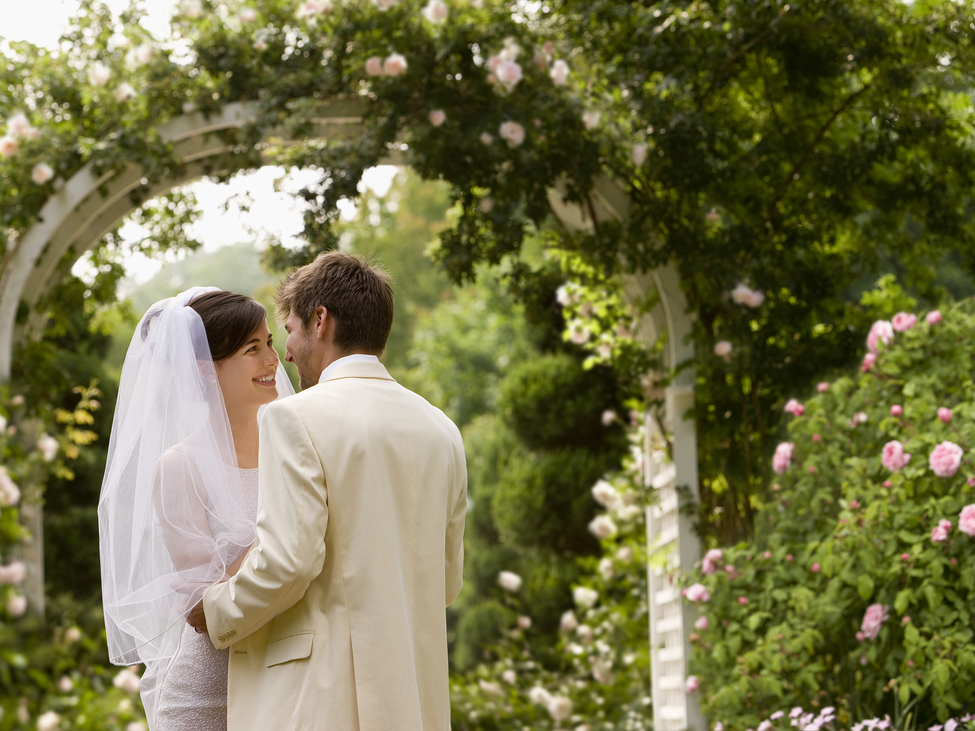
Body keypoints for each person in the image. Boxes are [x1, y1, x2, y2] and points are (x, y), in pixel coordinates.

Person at [188, 252, 468, 731]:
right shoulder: (441, 430)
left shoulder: (292, 417)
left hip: (317, 703)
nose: (287, 354)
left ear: (321, 321)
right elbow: (446, 582)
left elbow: (288, 562)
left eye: (290, 331)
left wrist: (213, 610)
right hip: (414, 704)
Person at [98, 288, 294, 731]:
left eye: (270, 342)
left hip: (290, 684)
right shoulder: (180, 468)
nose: (273, 360)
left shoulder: (297, 450)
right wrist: (282, 531)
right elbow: (199, 607)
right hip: (208, 698)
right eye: (253, 348)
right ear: (205, 371)